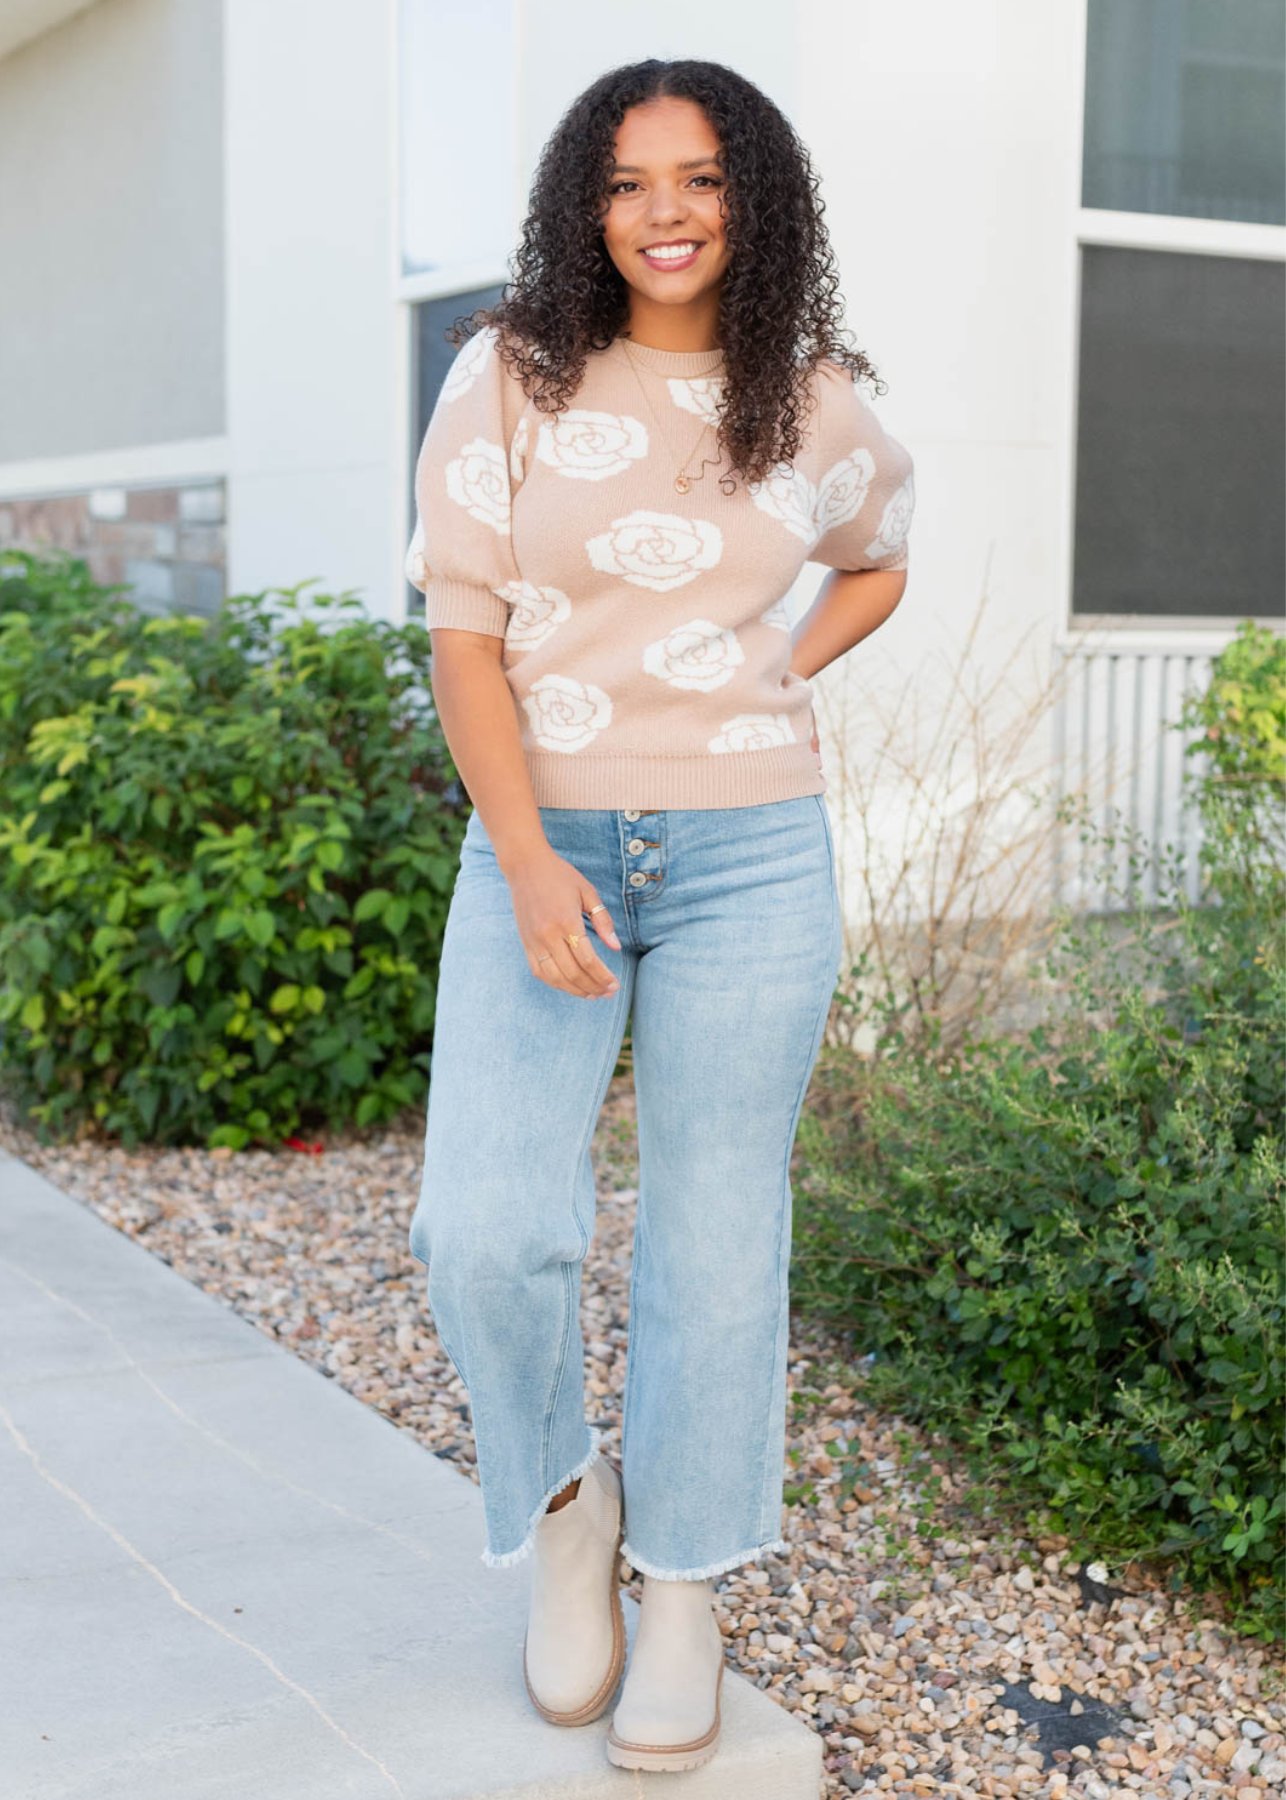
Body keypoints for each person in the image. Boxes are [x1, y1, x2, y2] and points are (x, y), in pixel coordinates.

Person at [405, 56, 915, 1775]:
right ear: (586, 203)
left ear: (751, 198)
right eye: (629, 183)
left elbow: (879, 554)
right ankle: (565, 1505)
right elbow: (463, 633)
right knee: (481, 1223)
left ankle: (683, 1581)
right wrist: (532, 856)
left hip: (753, 856)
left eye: (700, 179)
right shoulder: (509, 375)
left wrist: (778, 665)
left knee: (714, 1232)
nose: (667, 212)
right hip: (538, 846)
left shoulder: (815, 396)